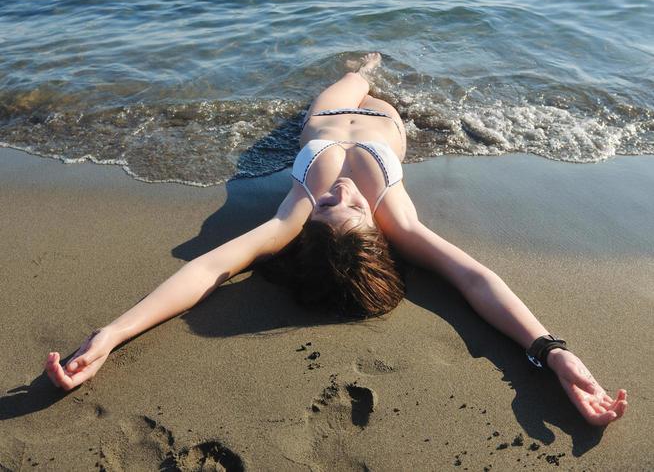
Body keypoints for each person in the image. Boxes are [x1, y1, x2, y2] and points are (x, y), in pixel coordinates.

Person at [45, 53, 627, 426]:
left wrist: (113, 333)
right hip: (382, 122)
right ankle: (373, 68)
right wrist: (552, 352)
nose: (343, 191)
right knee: (370, 75)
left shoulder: (294, 217)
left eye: (330, 204)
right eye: (349, 206)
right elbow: (475, 278)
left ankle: (364, 65)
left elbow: (206, 269)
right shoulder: (397, 220)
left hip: (322, 121)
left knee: (351, 72)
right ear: (374, 233)